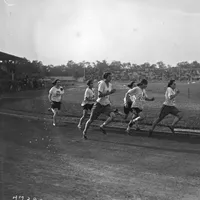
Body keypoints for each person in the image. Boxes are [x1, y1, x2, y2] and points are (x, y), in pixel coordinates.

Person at [82, 72, 116, 139]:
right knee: (91, 120)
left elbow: (108, 95)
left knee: (113, 116)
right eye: (109, 76)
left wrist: (109, 101)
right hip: (99, 104)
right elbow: (100, 95)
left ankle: (102, 126)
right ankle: (85, 131)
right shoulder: (102, 83)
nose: (111, 78)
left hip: (106, 104)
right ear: (105, 77)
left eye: (111, 76)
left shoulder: (110, 84)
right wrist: (110, 92)